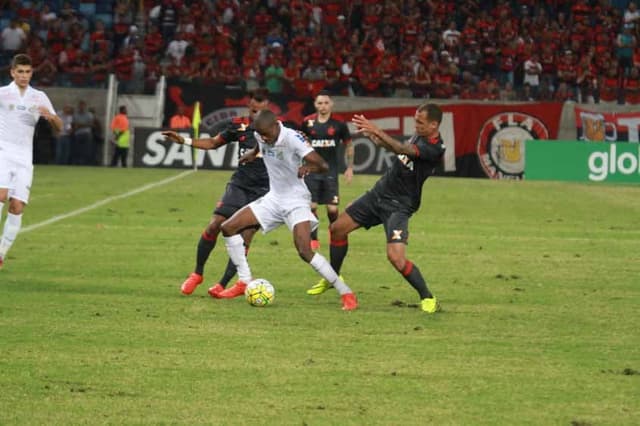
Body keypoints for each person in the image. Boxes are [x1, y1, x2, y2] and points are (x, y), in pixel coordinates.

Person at [307, 103, 445, 314]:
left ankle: (428, 297)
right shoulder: (419, 135)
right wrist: (377, 140)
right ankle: (333, 277)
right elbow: (398, 152)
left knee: (396, 257)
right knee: (337, 229)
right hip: (378, 194)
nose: (415, 125)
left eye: (420, 122)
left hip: (399, 205)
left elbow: (402, 149)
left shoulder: (435, 148)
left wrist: (377, 130)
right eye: (415, 120)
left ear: (434, 125)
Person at [219, 110, 357, 310]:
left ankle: (346, 292)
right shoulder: (261, 133)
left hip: (296, 200)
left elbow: (323, 165)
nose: (264, 138)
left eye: (267, 134)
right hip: (273, 199)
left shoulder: (293, 138)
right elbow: (260, 144)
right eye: (261, 134)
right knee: (228, 227)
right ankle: (244, 280)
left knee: (304, 250)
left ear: (276, 125)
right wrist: (252, 153)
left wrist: (309, 168)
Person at [161, 89, 271, 297]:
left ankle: (223, 285)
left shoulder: (277, 128)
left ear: (267, 107)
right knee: (215, 225)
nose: (256, 113)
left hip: (265, 191)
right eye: (253, 108)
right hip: (240, 185)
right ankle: (197, 274)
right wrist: (184, 141)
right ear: (249, 106)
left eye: (261, 109)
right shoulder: (238, 124)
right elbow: (212, 143)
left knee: (244, 238)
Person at [0, 54, 62, 269]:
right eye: (20, 72)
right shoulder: (2, 94)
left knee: (16, 207)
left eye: (27, 72)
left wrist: (51, 117)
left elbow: (60, 127)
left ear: (31, 73)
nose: (24, 76)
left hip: (25, 158)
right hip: (3, 152)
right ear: (12, 72)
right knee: (0, 194)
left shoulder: (39, 97)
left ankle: (1, 254)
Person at [299, 91, 354, 256]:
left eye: (326, 103)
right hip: (312, 170)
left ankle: (334, 231)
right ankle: (313, 238)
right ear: (315, 105)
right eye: (319, 103)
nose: (323, 106)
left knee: (331, 209)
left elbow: (349, 145)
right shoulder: (307, 122)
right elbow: (300, 142)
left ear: (331, 104)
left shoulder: (339, 124)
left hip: (330, 171)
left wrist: (350, 167)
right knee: (312, 206)